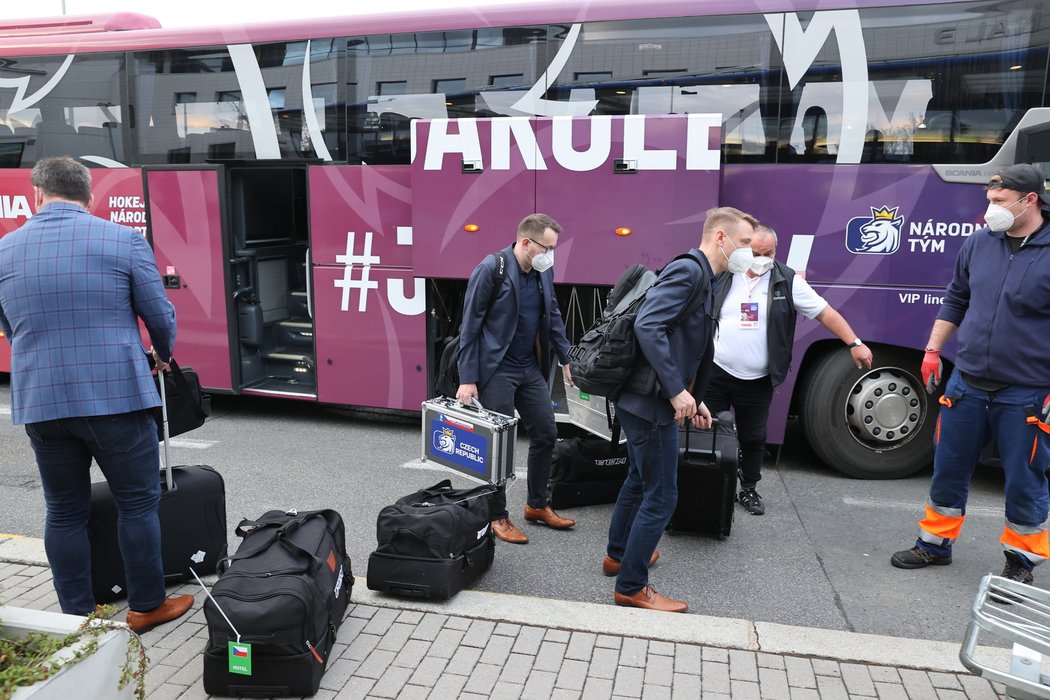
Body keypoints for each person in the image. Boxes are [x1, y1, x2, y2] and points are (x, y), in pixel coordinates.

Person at [0, 156, 193, 632]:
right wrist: (163, 354)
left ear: (37, 194)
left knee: (64, 511)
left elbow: (8, 326)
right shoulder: (122, 239)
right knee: (137, 503)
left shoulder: (4, 250)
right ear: (90, 197)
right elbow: (159, 314)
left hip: (41, 402)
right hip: (117, 399)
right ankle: (147, 607)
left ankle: (77, 619)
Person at [891, 164, 1050, 586]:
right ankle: (934, 544)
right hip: (968, 384)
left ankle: (1021, 560)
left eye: (998, 202)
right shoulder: (980, 243)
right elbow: (957, 298)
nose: (990, 211)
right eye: (989, 201)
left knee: (1024, 477)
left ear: (1029, 200)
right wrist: (932, 349)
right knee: (948, 466)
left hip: (1028, 392)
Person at [604, 207, 756, 612]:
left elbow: (680, 344)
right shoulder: (691, 272)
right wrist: (675, 392)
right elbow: (648, 325)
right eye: (744, 243)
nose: (749, 253)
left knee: (638, 480)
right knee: (662, 496)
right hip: (652, 404)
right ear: (720, 237)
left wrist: (696, 397)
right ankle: (631, 585)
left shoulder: (705, 276)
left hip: (645, 399)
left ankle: (618, 555)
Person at [706, 224, 873, 515]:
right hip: (717, 372)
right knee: (711, 431)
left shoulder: (786, 280)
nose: (760, 259)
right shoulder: (724, 274)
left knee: (754, 436)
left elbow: (825, 312)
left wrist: (854, 342)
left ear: (776, 251)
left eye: (766, 253)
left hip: (758, 378)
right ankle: (711, 486)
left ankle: (748, 489)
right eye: (754, 253)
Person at [456, 213, 575, 544]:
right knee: (499, 445)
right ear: (526, 242)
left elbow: (552, 316)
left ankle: (537, 504)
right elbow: (470, 325)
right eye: (547, 247)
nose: (551, 254)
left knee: (546, 432)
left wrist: (566, 357)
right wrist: (468, 377)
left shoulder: (541, 272)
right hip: (497, 369)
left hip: (529, 368)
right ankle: (497, 515)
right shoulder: (491, 269)